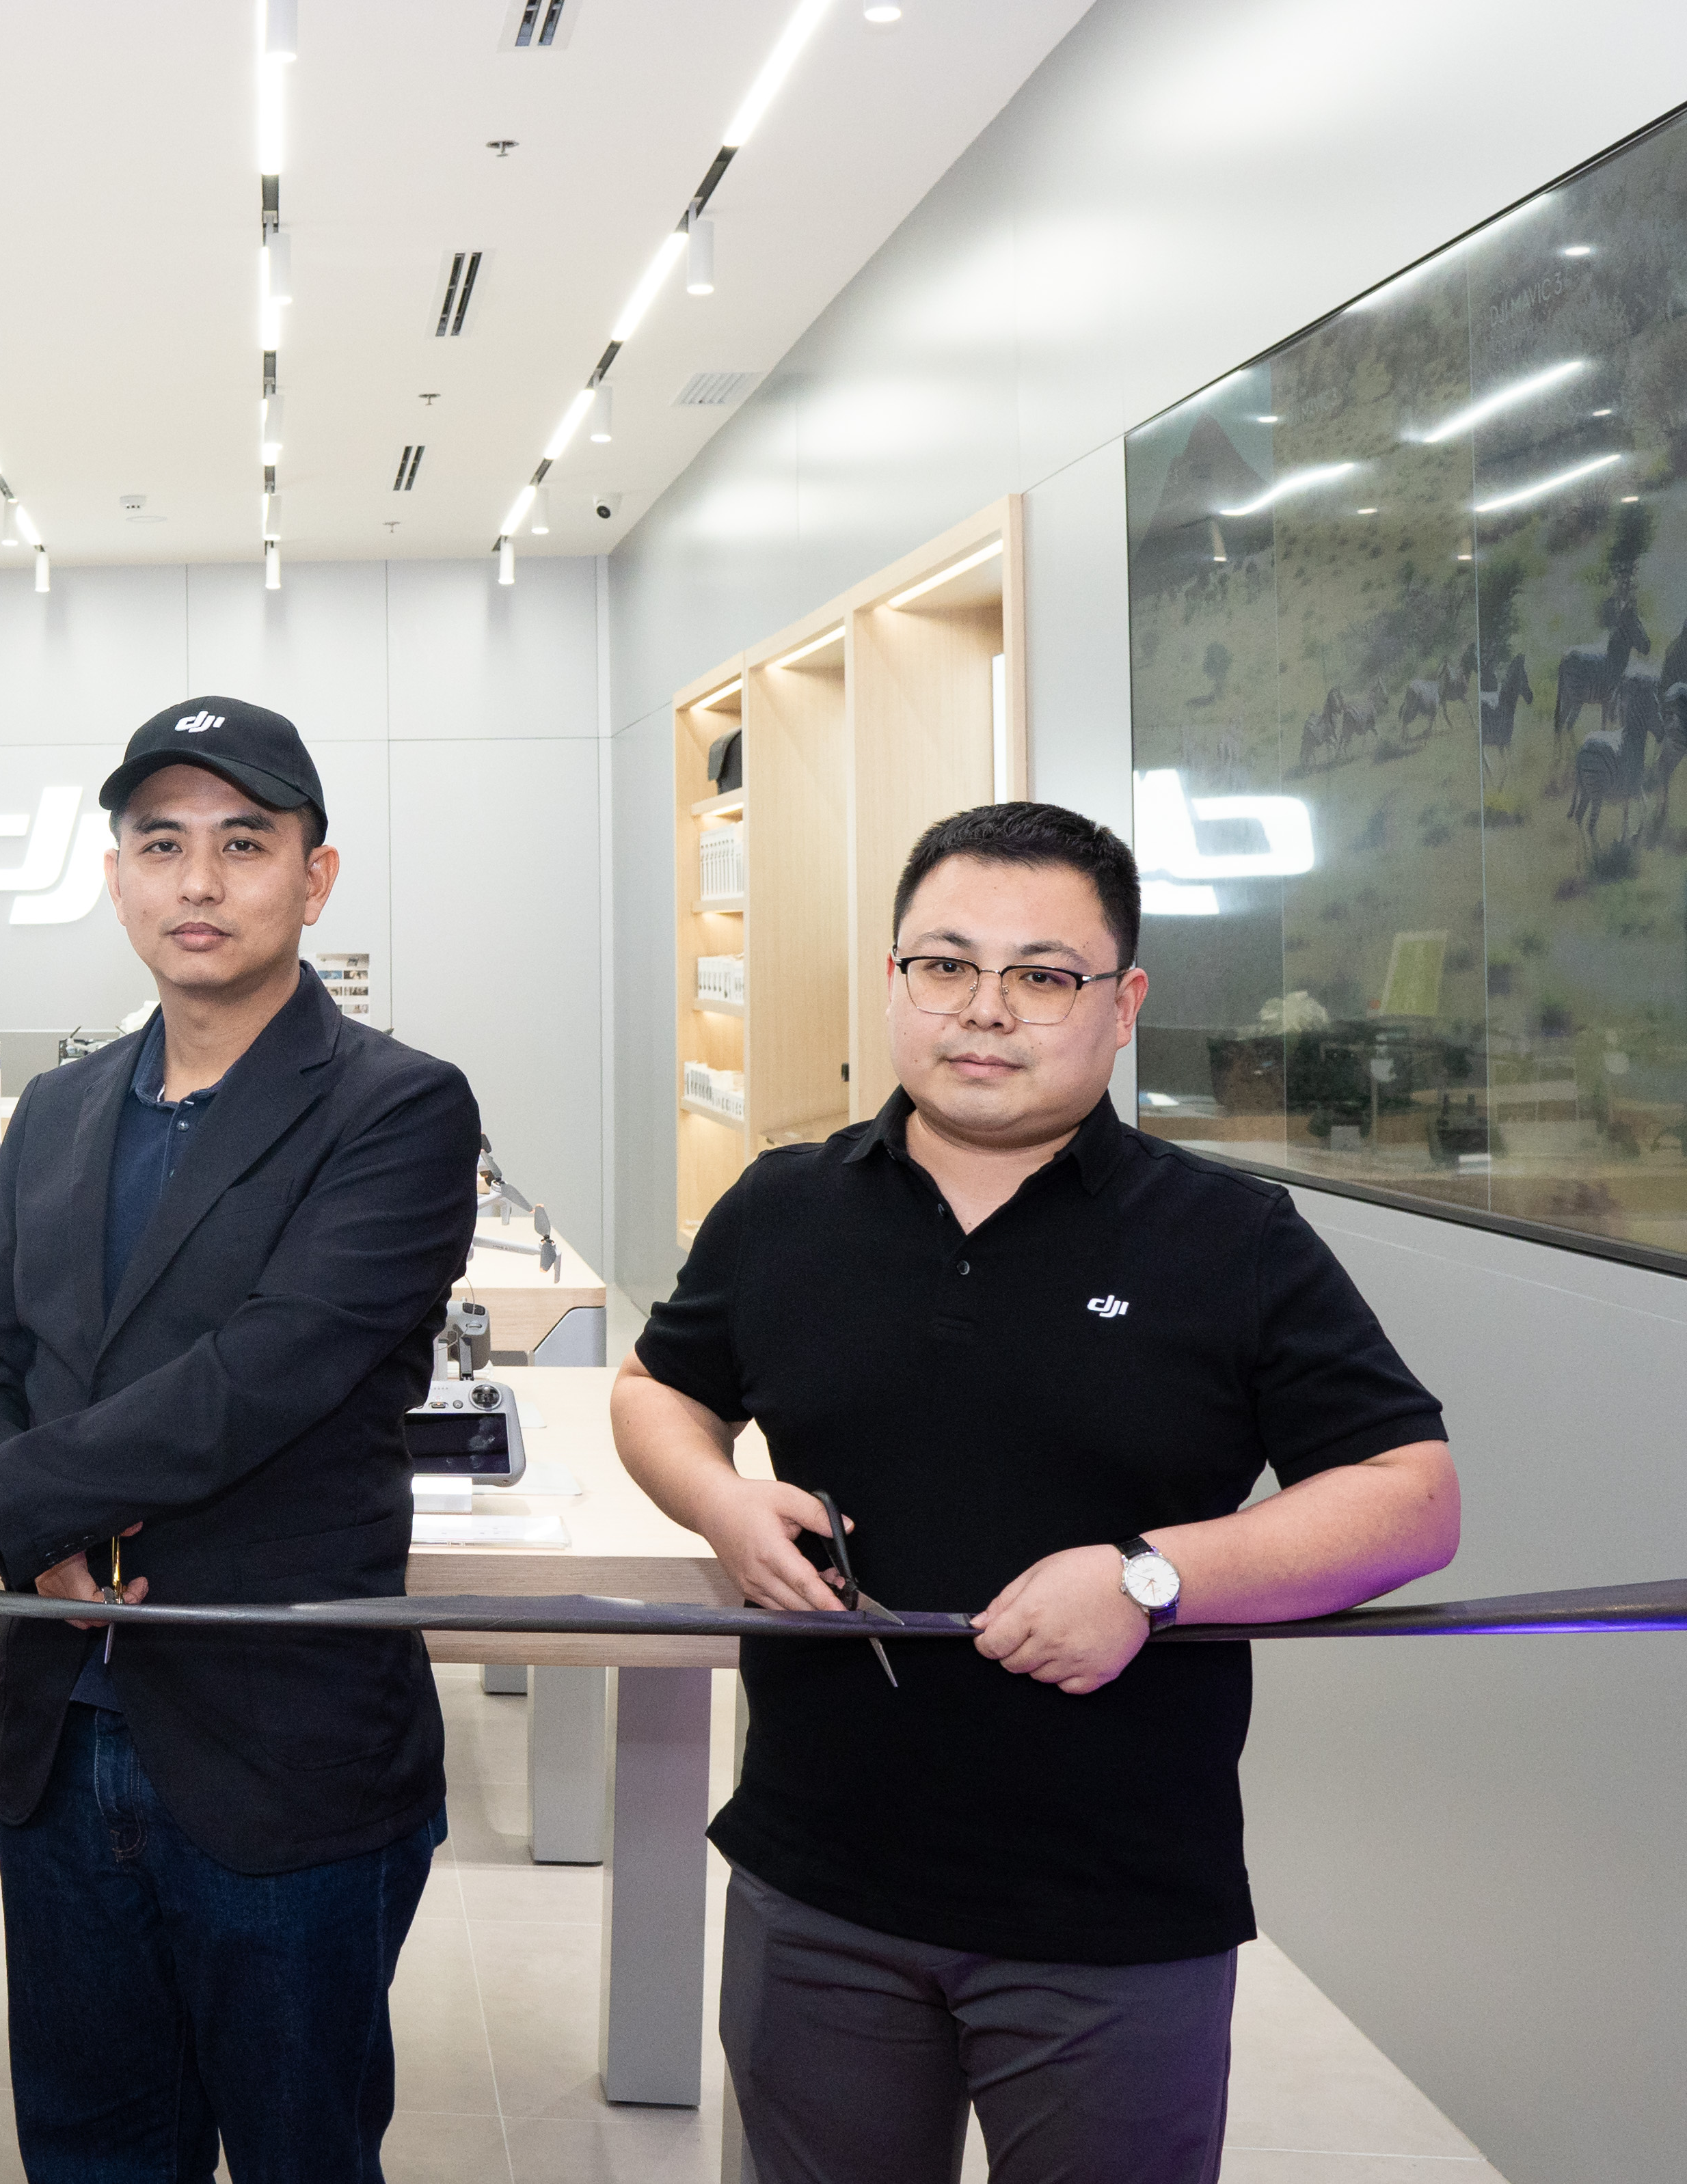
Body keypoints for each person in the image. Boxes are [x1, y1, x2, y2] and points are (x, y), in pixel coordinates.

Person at [613, 802, 1462, 2184]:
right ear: (895, 979)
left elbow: (1408, 1495)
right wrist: (716, 1499)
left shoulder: (1229, 1238)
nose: (985, 1010)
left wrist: (1148, 1577)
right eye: (944, 965)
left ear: (1121, 1004)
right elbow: (657, 1388)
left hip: (1111, 1910)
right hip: (818, 1881)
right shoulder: (780, 1208)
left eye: (1043, 975)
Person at [0, 696, 484, 2184]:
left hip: (282, 1748)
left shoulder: (397, 1109)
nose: (198, 881)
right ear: (117, 876)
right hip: (62, 1740)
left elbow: (262, 1375)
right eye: (160, 843)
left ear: (315, 877)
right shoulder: (59, 1110)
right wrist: (42, 1537)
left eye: (243, 844)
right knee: (91, 2150)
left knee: (303, 2151)